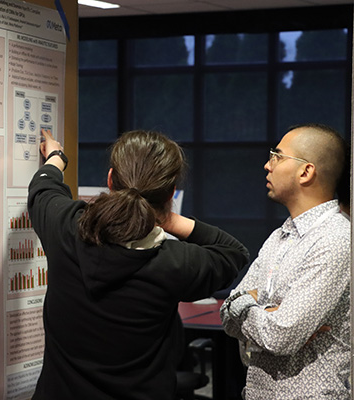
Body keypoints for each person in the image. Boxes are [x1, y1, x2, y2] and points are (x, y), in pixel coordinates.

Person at [29, 129, 249, 400]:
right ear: (170, 194)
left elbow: (43, 188)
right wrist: (165, 217)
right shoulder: (177, 262)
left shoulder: (65, 229)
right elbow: (233, 252)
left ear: (110, 180)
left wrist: (55, 156)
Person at [220, 123, 351, 399]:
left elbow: (281, 336)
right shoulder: (280, 235)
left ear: (306, 171)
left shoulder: (335, 238)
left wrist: (245, 304)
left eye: (277, 157)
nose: (267, 166)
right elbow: (226, 316)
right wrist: (265, 311)